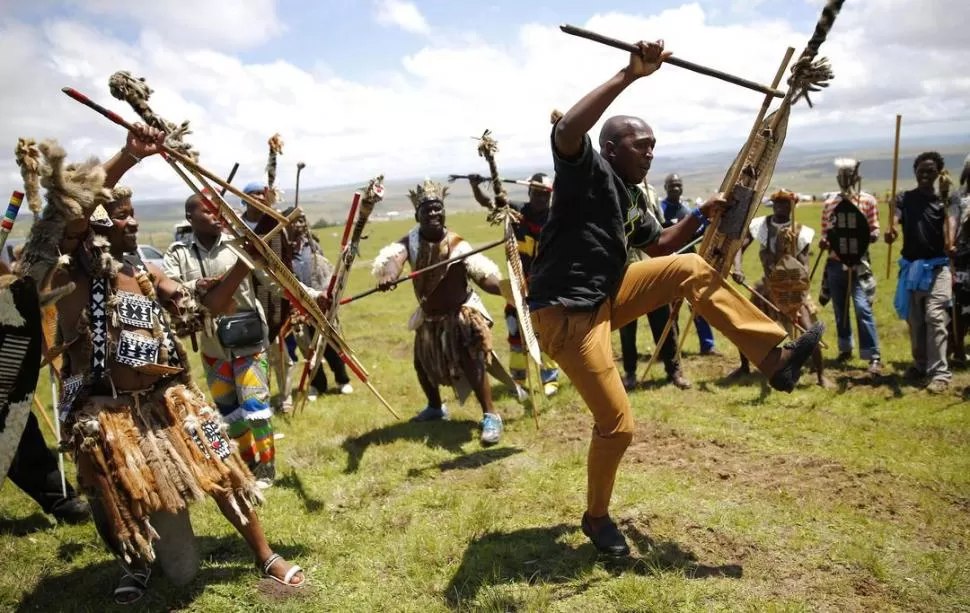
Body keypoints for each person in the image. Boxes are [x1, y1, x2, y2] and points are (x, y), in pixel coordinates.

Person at [527, 40, 824, 557]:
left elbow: (659, 244)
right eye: (641, 144)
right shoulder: (587, 172)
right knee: (617, 428)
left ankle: (774, 360)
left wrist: (703, 213)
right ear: (612, 148)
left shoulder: (629, 198)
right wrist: (629, 73)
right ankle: (596, 519)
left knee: (688, 266)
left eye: (653, 144)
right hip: (566, 317)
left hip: (605, 297)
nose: (650, 152)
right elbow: (567, 131)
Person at [20, 126, 309, 604]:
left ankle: (264, 554)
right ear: (91, 222)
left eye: (133, 214)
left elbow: (207, 305)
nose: (131, 224)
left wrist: (247, 255)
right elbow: (61, 213)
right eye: (120, 216)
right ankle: (135, 563)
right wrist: (129, 157)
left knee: (223, 465)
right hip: (105, 409)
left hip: (167, 396)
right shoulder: (64, 271)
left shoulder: (143, 273)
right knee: (115, 491)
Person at [372, 179, 509, 445]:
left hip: (461, 315)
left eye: (437, 208)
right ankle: (435, 407)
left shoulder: (457, 244)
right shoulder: (410, 241)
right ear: (417, 215)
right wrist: (389, 276)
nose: (433, 213)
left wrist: (505, 289)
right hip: (430, 318)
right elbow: (395, 261)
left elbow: (482, 275)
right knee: (422, 365)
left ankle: (491, 415)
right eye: (427, 210)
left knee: (472, 362)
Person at [163, 193, 278, 488]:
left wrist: (311, 296)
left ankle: (267, 466)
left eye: (219, 210)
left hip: (249, 341)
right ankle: (249, 461)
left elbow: (274, 279)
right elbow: (166, 287)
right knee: (230, 413)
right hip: (213, 347)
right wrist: (193, 285)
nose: (217, 215)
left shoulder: (240, 245)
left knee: (255, 406)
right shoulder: (178, 254)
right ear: (190, 218)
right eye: (208, 211)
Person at [468, 172, 560, 397]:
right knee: (516, 334)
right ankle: (518, 380)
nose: (540, 199)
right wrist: (476, 186)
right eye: (536, 194)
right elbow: (488, 203)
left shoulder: (557, 217)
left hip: (546, 286)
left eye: (545, 195)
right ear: (529, 192)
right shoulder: (516, 212)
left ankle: (550, 379)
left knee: (543, 333)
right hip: (518, 286)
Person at [729, 189, 827, 386]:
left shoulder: (802, 232)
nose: (781, 207)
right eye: (778, 203)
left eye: (785, 204)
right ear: (772, 205)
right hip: (766, 287)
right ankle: (744, 366)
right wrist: (738, 268)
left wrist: (797, 284)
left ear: (792, 207)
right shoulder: (761, 225)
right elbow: (739, 245)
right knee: (745, 325)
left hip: (792, 291)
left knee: (809, 332)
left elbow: (804, 266)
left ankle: (820, 376)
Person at [886, 152, 959, 393]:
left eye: (931, 170)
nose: (926, 174)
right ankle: (920, 365)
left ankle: (940, 374)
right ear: (915, 171)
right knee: (915, 321)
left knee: (936, 318)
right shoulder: (904, 198)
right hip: (912, 269)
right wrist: (892, 232)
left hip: (938, 268)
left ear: (939, 173)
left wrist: (950, 243)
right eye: (922, 170)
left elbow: (950, 224)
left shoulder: (946, 200)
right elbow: (894, 220)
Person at [617, 180, 690, 390]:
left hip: (650, 264)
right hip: (624, 268)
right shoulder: (609, 186)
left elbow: (658, 227)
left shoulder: (648, 192)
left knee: (663, 321)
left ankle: (673, 370)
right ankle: (630, 372)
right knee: (627, 326)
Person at [819, 159, 882, 374]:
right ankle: (845, 348)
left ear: (856, 179)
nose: (845, 180)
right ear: (837, 179)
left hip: (859, 264)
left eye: (849, 176)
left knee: (863, 308)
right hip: (836, 264)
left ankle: (873, 355)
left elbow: (874, 230)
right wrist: (825, 241)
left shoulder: (867, 201)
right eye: (841, 176)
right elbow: (826, 234)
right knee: (840, 309)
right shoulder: (829, 204)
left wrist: (865, 236)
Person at [283, 208, 352, 397]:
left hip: (320, 305)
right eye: (294, 222)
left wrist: (326, 296)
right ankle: (317, 385)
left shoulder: (313, 246)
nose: (299, 225)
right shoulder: (281, 249)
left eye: (301, 221)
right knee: (309, 349)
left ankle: (342, 380)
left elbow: (326, 270)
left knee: (331, 345)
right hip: (299, 308)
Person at [241, 182, 294, 413]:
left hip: (275, 298)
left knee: (280, 352)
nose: (261, 198)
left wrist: (291, 294)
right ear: (244, 198)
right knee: (254, 356)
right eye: (255, 194)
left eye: (263, 194)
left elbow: (287, 262)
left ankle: (286, 397)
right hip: (247, 296)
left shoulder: (275, 223)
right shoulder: (236, 225)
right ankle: (260, 397)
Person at [661, 173, 719, 356]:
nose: (675, 188)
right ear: (666, 188)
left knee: (698, 304)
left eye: (678, 185)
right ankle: (671, 349)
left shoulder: (687, 210)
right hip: (669, 265)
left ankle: (707, 345)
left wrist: (708, 223)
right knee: (671, 308)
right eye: (672, 185)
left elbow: (693, 235)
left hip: (689, 264)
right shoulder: (660, 210)